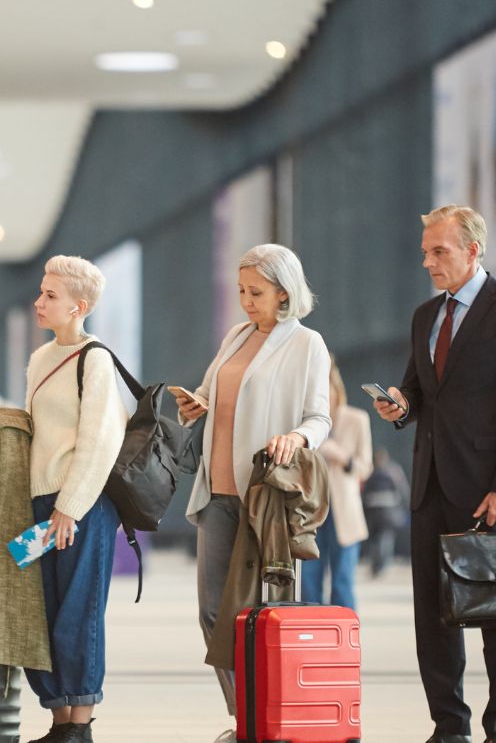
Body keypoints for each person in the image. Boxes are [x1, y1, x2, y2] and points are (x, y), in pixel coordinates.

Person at [373, 204, 496, 743]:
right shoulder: (426, 316)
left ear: (473, 250)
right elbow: (420, 392)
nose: (428, 261)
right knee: (433, 616)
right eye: (426, 251)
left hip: (487, 491)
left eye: (438, 251)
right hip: (430, 487)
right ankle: (449, 726)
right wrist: (400, 406)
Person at [171, 243, 333, 734]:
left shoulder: (307, 345)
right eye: (241, 290)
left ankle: (268, 719)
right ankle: (245, 716)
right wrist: (194, 404)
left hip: (264, 497)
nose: (246, 301)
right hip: (218, 491)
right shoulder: (236, 336)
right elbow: (211, 393)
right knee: (212, 611)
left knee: (262, 613)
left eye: (256, 292)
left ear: (284, 292)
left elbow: (320, 416)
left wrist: (296, 436)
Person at [0, 255, 128, 743]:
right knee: (41, 608)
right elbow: (35, 427)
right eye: (41, 292)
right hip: (40, 506)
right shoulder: (42, 359)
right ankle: (59, 718)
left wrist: (71, 506)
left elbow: (99, 441)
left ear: (78, 306)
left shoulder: (96, 359)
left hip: (81, 507)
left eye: (50, 296)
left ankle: (79, 724)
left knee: (79, 611)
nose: (39, 302)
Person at [299, 360, 373, 612]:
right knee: (308, 583)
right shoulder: (302, 423)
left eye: (325, 387)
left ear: (335, 387)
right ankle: (313, 638)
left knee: (342, 582)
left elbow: (365, 467)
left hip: (346, 514)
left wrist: (340, 455)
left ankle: (345, 642)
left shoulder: (357, 419)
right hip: (311, 512)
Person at [361, 448, 410, 578]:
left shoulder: (370, 471)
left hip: (372, 511)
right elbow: (403, 491)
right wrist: (404, 508)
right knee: (385, 539)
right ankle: (381, 565)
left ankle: (376, 565)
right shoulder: (394, 471)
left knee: (375, 539)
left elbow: (364, 492)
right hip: (389, 512)